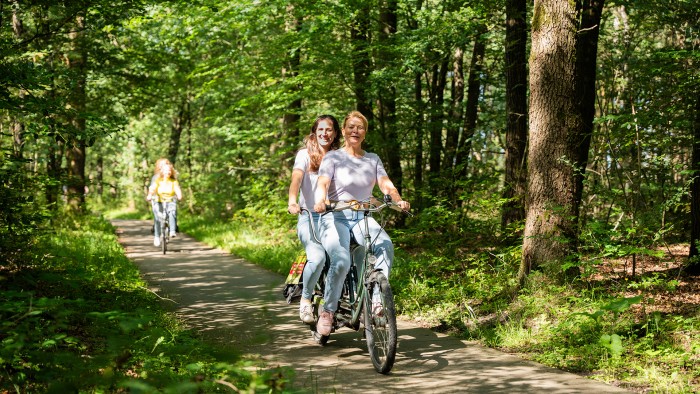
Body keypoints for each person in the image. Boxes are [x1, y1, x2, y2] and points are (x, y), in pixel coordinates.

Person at [313, 110, 410, 336]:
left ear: (365, 133)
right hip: (335, 215)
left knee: (384, 245)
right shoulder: (333, 157)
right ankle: (328, 310)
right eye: (351, 127)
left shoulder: (372, 159)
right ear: (344, 131)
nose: (355, 130)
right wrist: (320, 200)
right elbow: (323, 182)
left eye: (360, 127)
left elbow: (386, 184)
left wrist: (398, 200)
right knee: (341, 260)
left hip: (363, 216)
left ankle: (376, 299)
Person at [287, 115, 341, 324]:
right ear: (314, 131)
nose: (324, 134)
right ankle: (306, 299)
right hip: (309, 216)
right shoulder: (305, 154)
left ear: (335, 133)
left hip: (335, 216)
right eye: (320, 130)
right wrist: (293, 201)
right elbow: (296, 178)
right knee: (317, 258)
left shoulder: (339, 156)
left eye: (329, 130)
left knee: (345, 257)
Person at [146, 160, 182, 246]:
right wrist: (150, 196)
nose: (167, 171)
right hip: (158, 200)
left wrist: (179, 195)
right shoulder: (157, 178)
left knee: (172, 212)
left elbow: (177, 188)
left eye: (169, 169)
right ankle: (157, 236)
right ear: (160, 168)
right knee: (158, 218)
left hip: (170, 200)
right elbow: (152, 188)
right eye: (164, 168)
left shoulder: (173, 180)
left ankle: (172, 229)